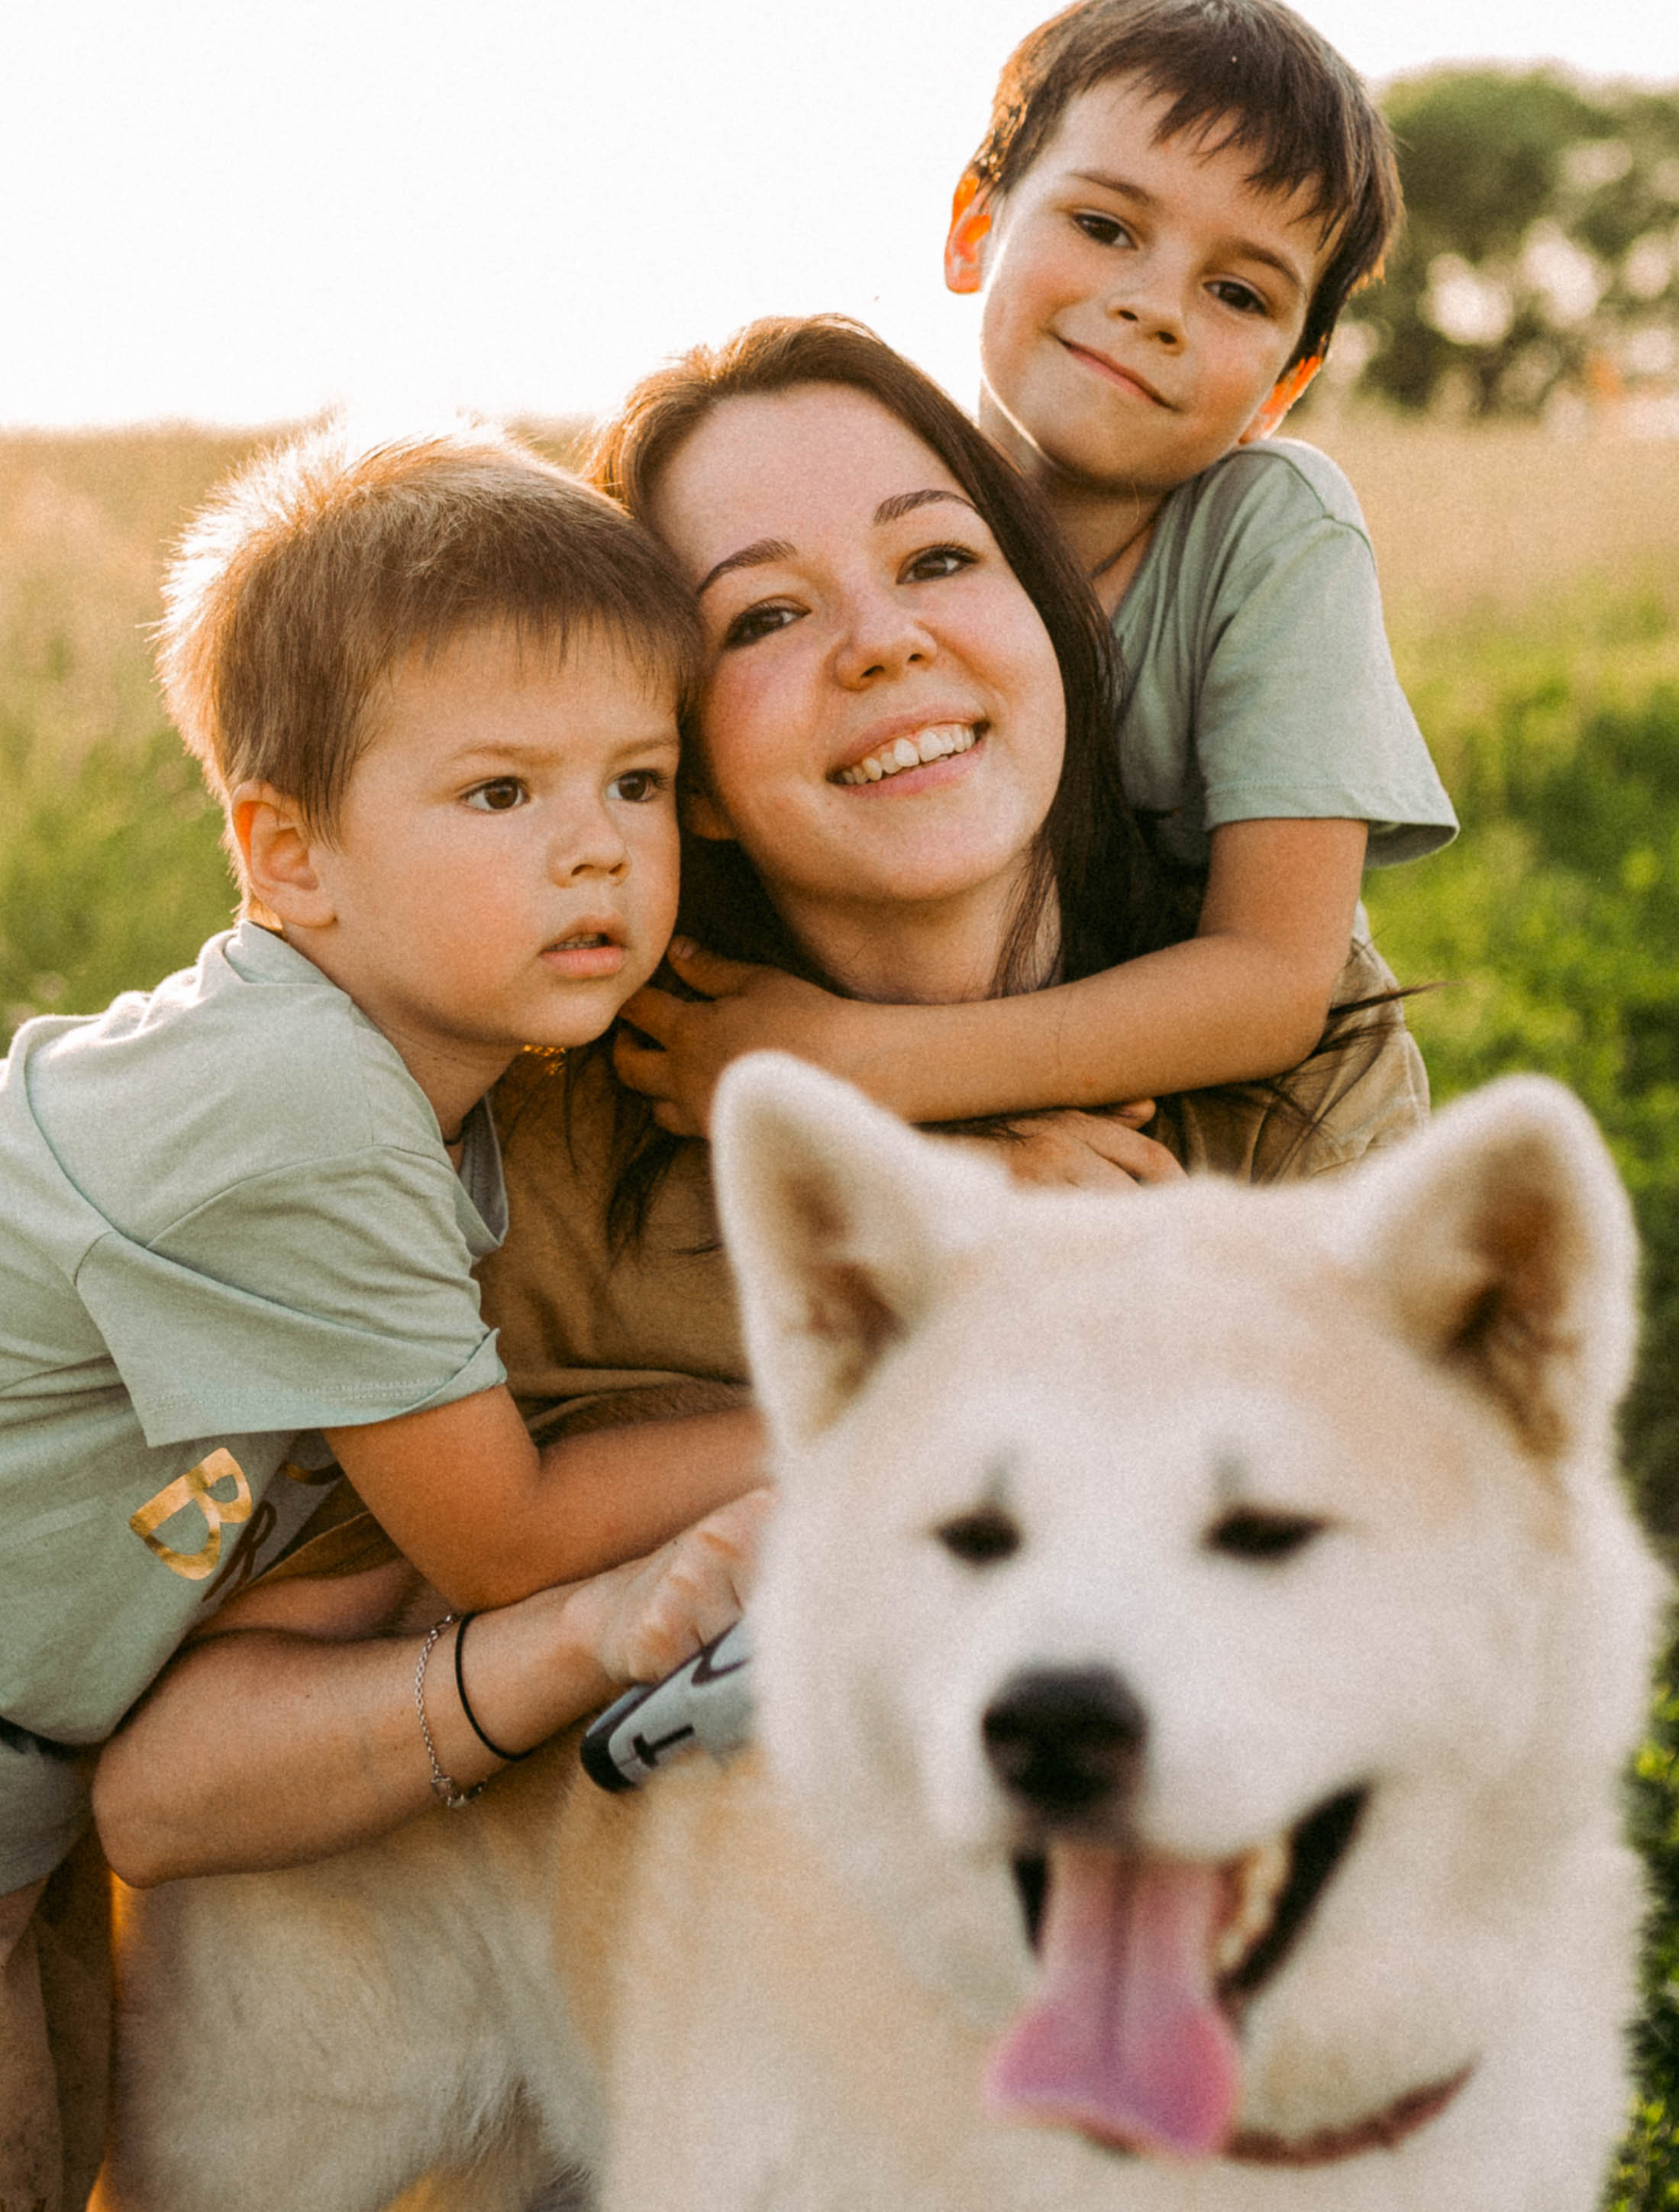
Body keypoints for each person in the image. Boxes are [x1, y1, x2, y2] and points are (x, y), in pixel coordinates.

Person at [92, 317, 1410, 1904]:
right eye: (768, 614)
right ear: (675, 766)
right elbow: (169, 1797)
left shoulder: (1270, 1041)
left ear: (1050, 627)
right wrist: (599, 1624)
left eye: (935, 563)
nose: (880, 644)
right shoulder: (549, 1136)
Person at [0, 419, 768, 2212]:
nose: (595, 853)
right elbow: (498, 1538)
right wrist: (850, 1408)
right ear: (289, 856)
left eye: (636, 784)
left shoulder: (418, 1084)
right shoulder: (307, 1104)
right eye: (501, 795)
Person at [609, 0, 1458, 1171]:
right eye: (1107, 226)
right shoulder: (861, 489)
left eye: (1240, 294)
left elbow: (1270, 983)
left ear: (1286, 382)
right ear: (974, 226)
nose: (1154, 305)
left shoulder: (1272, 531)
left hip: (1259, 1132)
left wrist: (855, 1071)